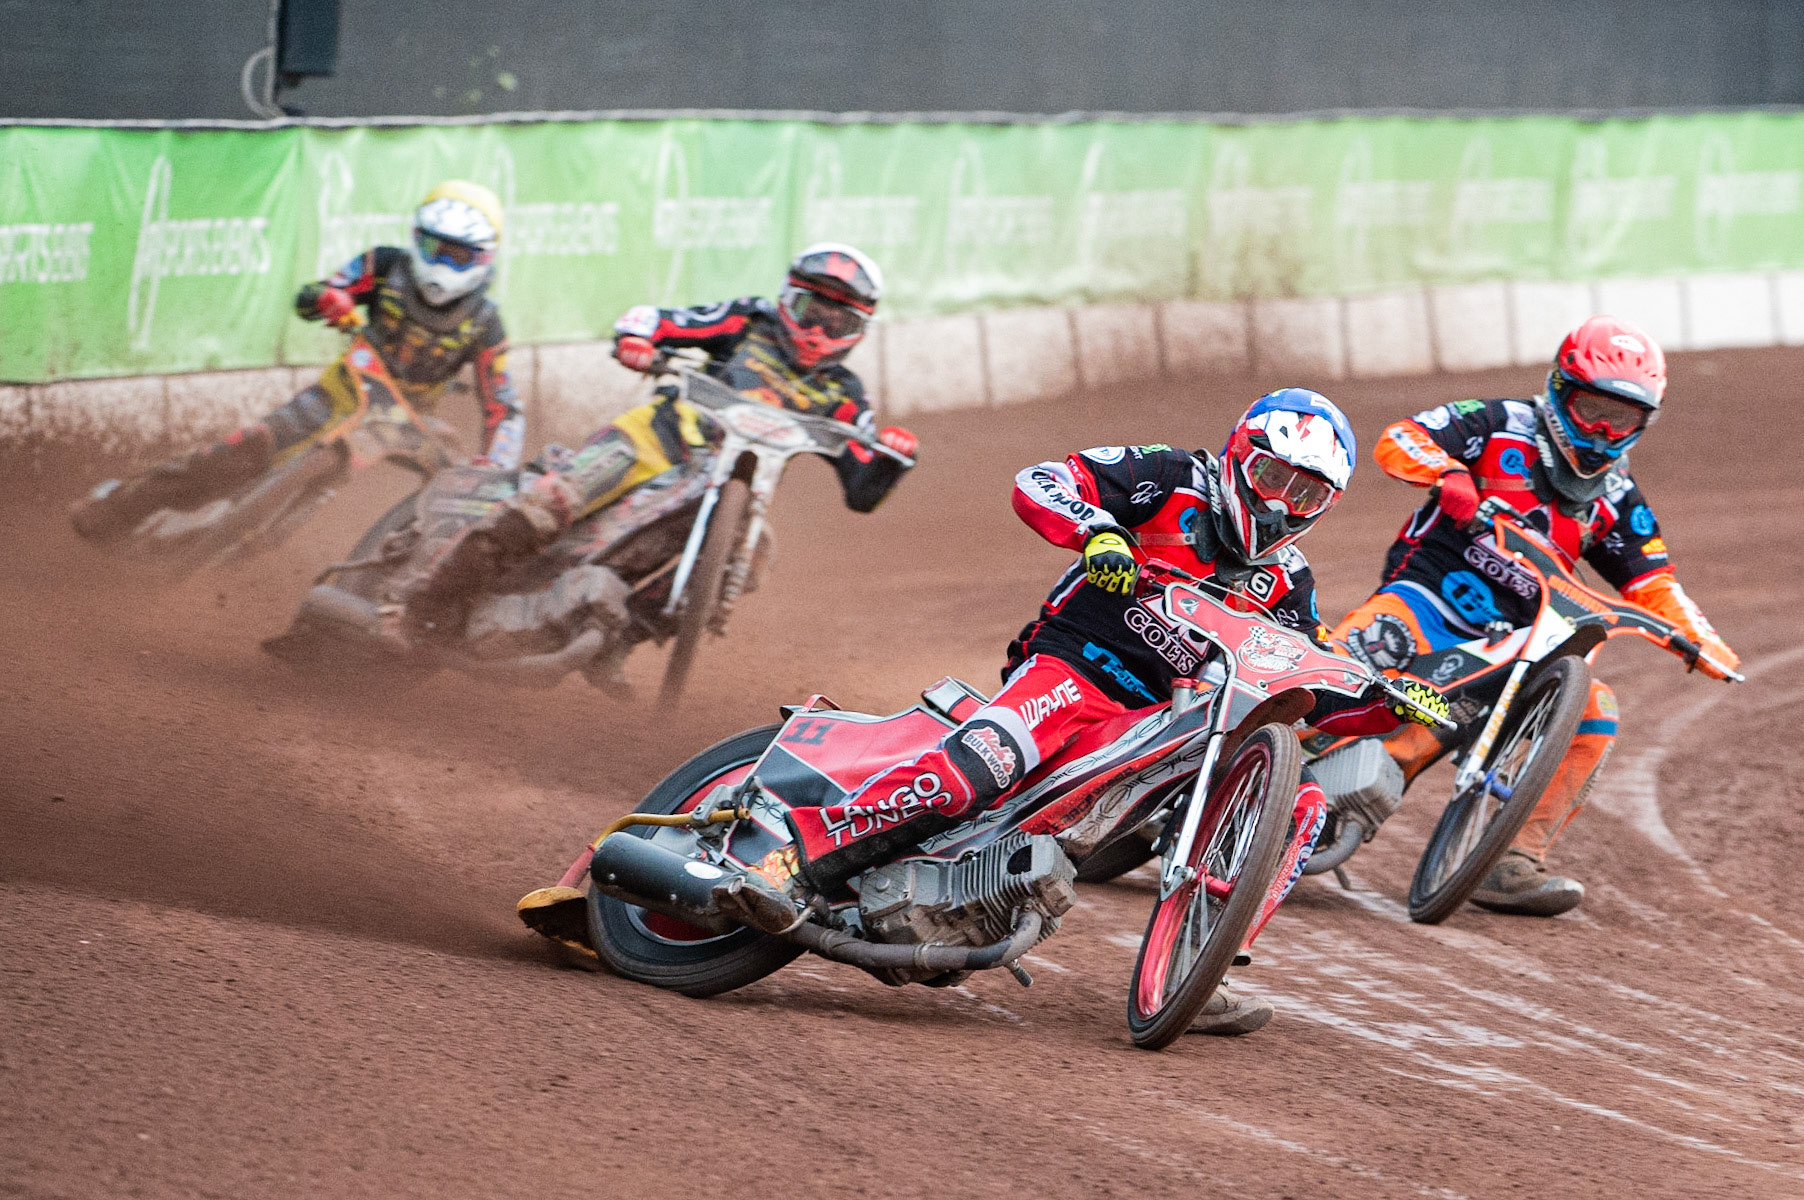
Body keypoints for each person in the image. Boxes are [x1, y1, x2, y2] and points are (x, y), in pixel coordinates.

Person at [754, 389, 1447, 1034]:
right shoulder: (1171, 477)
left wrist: (1386, 700)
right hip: (1077, 666)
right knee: (981, 768)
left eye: (1305, 492)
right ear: (1241, 453)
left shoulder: (1289, 578)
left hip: (1164, 724)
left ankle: (1204, 962)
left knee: (1300, 806)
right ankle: (795, 861)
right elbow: (1043, 481)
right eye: (1271, 477)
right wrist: (1098, 532)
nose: (1280, 503)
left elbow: (1309, 679)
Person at [1329, 315, 1739, 916]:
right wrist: (1446, 472)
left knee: (1596, 711)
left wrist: (1703, 642)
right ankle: (1202, 774)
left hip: (1519, 640)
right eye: (1591, 408)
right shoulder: (1497, 425)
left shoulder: (1617, 499)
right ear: (1559, 389)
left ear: (1643, 423)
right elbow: (1401, 437)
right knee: (1334, 675)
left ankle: (1511, 860)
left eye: (1621, 418)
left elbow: (1654, 582)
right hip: (1427, 598)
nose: (1601, 431)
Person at [397, 242, 917, 625]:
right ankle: (423, 598)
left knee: (751, 560)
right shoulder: (745, 323)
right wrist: (637, 340)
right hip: (653, 442)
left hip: (732, 495)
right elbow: (655, 320)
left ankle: (619, 637)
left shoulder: (845, 394)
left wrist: (891, 458)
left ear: (859, 331)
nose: (818, 332)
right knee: (550, 503)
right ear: (787, 300)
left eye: (838, 324)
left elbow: (861, 489)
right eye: (810, 312)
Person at [71, 180, 523, 542]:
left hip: (402, 422)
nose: (442, 261)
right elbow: (310, 296)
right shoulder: (384, 265)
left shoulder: (486, 322)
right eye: (434, 247)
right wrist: (330, 298)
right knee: (238, 451)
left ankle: (390, 585)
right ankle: (115, 509)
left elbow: (502, 403)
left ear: (482, 258)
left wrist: (495, 465)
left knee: (449, 494)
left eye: (458, 254)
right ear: (416, 240)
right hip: (338, 394)